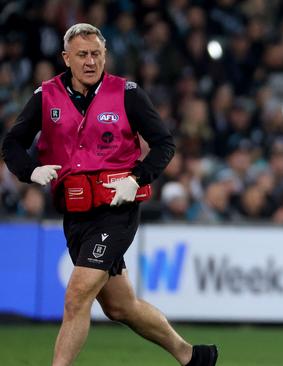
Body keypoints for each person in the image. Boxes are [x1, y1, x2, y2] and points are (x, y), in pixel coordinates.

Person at [1, 23, 218, 366]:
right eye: (82, 55)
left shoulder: (127, 93)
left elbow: (164, 143)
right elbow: (11, 143)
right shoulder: (46, 96)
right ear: (66, 58)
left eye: (97, 54)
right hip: (74, 214)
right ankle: (192, 356)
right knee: (120, 307)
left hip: (117, 209)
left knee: (76, 296)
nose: (90, 62)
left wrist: (138, 178)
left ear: (105, 56)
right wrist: (29, 171)